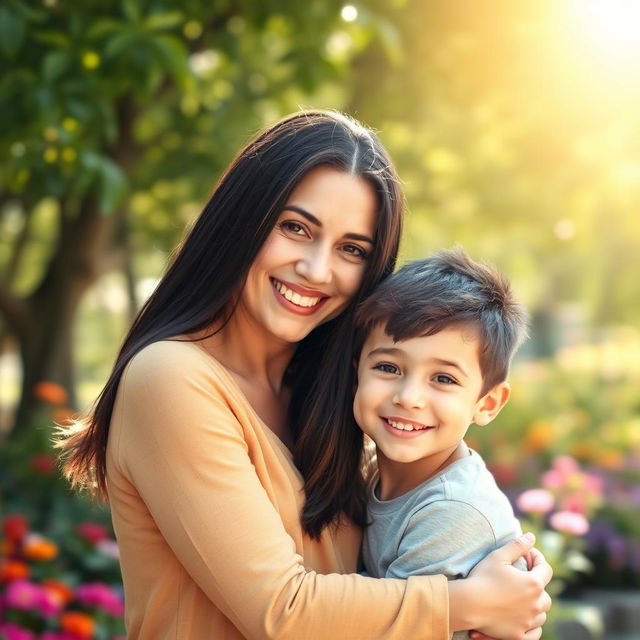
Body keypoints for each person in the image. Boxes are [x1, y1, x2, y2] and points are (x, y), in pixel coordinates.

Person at [58, 111, 551, 639]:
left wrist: (498, 601)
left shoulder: (332, 393)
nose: (317, 270)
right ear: (243, 222)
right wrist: (468, 604)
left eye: (351, 249)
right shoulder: (170, 379)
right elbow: (280, 610)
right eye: (295, 228)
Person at [353, 249, 530, 639]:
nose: (409, 397)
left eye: (444, 379)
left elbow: (382, 628)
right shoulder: (368, 472)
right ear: (356, 369)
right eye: (388, 367)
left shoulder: (452, 511)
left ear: (486, 404)